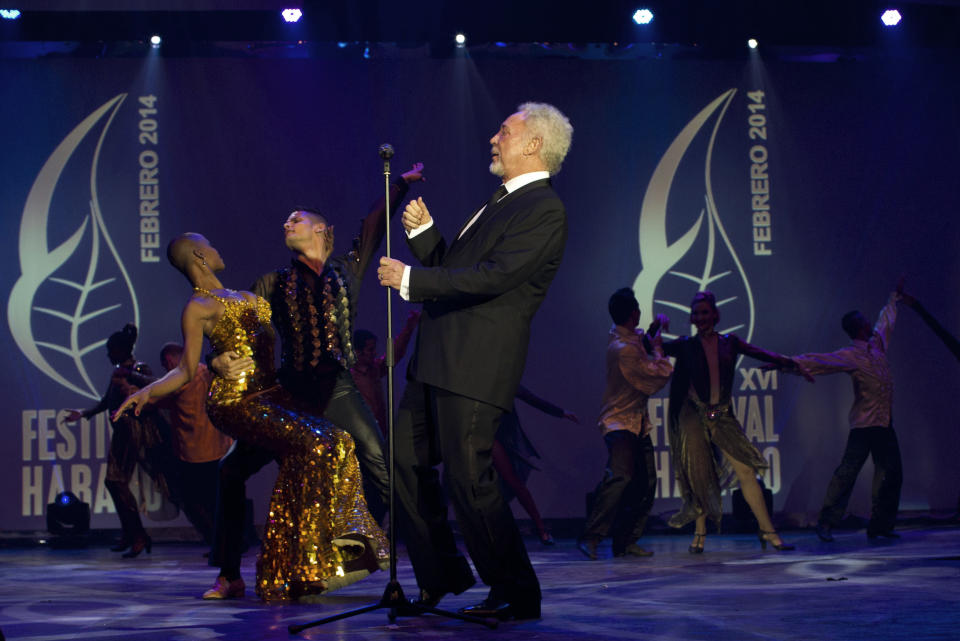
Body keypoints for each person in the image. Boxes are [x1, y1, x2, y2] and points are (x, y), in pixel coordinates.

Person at [377, 102, 573, 620]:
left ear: (534, 144)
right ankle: (441, 575)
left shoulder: (544, 210)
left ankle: (516, 591)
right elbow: (462, 272)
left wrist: (410, 281)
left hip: (475, 365)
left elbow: (494, 277)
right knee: (403, 462)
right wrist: (427, 240)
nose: (494, 137)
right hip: (437, 358)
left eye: (504, 131)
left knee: (469, 479)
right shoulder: (504, 200)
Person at [114, 233, 388, 602]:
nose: (217, 247)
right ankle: (296, 566)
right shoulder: (198, 306)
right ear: (199, 255)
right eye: (210, 244)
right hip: (236, 403)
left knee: (277, 458)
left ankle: (305, 562)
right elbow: (183, 369)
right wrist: (151, 389)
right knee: (321, 443)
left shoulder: (250, 297)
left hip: (275, 399)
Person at [211, 164, 425, 527]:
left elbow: (373, 223)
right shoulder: (272, 283)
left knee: (380, 464)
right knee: (231, 469)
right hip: (291, 391)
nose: (287, 224)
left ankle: (405, 558)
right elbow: (235, 328)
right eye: (286, 222)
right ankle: (228, 574)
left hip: (339, 389)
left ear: (321, 229)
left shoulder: (347, 269)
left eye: (295, 219)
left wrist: (400, 184)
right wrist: (216, 359)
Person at [661, 291, 808, 553]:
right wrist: (656, 326)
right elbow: (651, 344)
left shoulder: (730, 342)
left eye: (705, 312)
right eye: (696, 314)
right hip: (694, 415)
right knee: (699, 475)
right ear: (692, 318)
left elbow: (762, 353)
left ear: (715, 315)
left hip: (720, 415)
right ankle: (699, 533)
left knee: (746, 472)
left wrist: (793, 364)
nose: (701, 318)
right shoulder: (685, 345)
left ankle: (768, 532)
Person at [788, 288, 904, 542]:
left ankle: (880, 525)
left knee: (891, 473)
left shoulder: (877, 346)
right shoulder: (851, 355)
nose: (869, 322)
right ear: (859, 327)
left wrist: (893, 299)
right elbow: (821, 361)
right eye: (864, 320)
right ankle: (826, 522)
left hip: (884, 424)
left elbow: (886, 323)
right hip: (864, 427)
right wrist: (787, 363)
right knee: (847, 474)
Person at [578, 288, 673, 561]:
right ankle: (591, 536)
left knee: (645, 483)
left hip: (637, 422)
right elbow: (657, 375)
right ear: (634, 313)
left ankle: (626, 541)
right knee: (620, 476)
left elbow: (640, 338)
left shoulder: (626, 338)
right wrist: (658, 348)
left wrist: (656, 327)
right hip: (618, 421)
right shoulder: (623, 350)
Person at [63, 323, 172, 558]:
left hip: (133, 432)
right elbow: (106, 401)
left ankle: (138, 535)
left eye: (111, 350)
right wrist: (83, 414)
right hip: (121, 433)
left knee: (116, 481)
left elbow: (155, 385)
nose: (108, 355)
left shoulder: (137, 368)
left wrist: (130, 379)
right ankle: (132, 532)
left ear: (121, 350)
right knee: (114, 483)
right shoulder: (118, 372)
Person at [154, 342, 233, 546]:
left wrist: (136, 390)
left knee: (193, 501)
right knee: (216, 501)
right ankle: (224, 544)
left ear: (170, 360)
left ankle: (220, 544)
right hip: (220, 447)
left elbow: (157, 397)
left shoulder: (182, 379)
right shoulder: (207, 372)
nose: (166, 370)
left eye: (165, 366)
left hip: (197, 452)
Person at [350, 309, 421, 437]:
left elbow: (394, 355)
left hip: (379, 433)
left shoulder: (374, 369)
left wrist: (409, 327)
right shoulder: (349, 377)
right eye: (370, 350)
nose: (374, 353)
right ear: (357, 352)